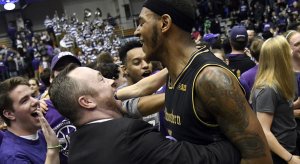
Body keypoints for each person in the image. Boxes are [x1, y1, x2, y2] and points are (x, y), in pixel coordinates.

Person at [134, 0, 272, 163]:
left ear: (164, 23)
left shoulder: (210, 78)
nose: (136, 32)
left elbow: (259, 158)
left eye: (141, 23)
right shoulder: (174, 71)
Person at [49, 64, 240, 164]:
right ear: (87, 102)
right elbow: (204, 160)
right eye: (101, 80)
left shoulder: (76, 147)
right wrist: (240, 138)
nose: (112, 81)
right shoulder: (127, 135)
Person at [251, 35, 300, 164]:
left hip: (289, 149)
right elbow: (264, 131)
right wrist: (289, 158)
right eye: (287, 50)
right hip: (280, 156)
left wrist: (295, 105)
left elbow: (278, 110)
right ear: (280, 57)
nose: (291, 52)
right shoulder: (267, 89)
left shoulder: (279, 82)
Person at [0, 77, 59, 164]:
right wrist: (53, 149)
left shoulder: (40, 134)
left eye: (32, 96)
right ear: (9, 114)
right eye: (24, 101)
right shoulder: (12, 156)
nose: (36, 101)